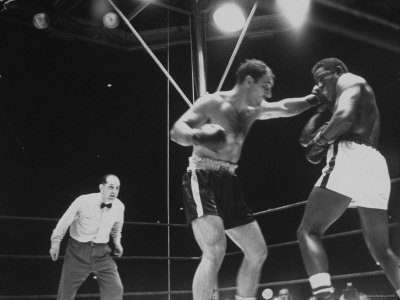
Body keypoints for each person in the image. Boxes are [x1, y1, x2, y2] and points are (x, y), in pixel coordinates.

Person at [170, 59, 320, 300]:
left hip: (229, 180)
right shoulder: (212, 103)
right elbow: (176, 131)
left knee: (257, 251)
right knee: (214, 252)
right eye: (266, 86)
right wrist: (198, 136)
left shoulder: (253, 110)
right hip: (202, 176)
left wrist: (313, 100)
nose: (269, 93)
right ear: (248, 81)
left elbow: (283, 108)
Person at [296, 58, 400, 300]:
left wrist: (320, 142)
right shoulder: (348, 100)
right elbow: (305, 140)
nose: (320, 87)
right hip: (374, 164)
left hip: (351, 157)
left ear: (338, 71)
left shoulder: (349, 80)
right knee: (381, 250)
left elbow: (341, 119)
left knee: (307, 232)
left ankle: (325, 297)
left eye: (322, 80)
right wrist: (321, 105)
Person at [49, 174, 125, 300]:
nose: (114, 191)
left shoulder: (119, 206)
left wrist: (117, 243)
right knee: (66, 292)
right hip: (77, 251)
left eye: (117, 188)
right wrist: (55, 243)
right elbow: (64, 222)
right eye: (111, 187)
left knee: (115, 288)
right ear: (101, 187)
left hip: (102, 252)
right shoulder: (83, 201)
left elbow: (117, 229)